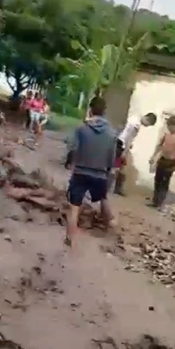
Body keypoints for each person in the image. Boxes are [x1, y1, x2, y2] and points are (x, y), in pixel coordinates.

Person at [64, 96, 118, 247]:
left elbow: (72, 148)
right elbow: (112, 157)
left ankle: (70, 239)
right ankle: (113, 227)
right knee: (103, 199)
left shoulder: (81, 129)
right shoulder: (112, 133)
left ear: (90, 109)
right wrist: (108, 171)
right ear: (104, 112)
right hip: (100, 174)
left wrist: (72, 165)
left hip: (81, 172)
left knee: (74, 208)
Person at [112, 112, 157, 195]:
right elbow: (129, 138)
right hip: (122, 145)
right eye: (148, 124)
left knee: (120, 167)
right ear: (146, 118)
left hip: (120, 142)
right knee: (117, 167)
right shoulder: (136, 125)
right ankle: (112, 187)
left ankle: (116, 188)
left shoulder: (133, 118)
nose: (146, 126)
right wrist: (125, 151)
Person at [149, 115, 175, 208]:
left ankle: (160, 202)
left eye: (172, 126)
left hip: (170, 162)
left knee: (164, 183)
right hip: (162, 159)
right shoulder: (166, 135)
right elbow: (159, 146)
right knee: (157, 180)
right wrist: (153, 156)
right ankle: (155, 201)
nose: (170, 128)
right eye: (169, 125)